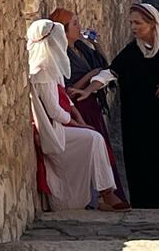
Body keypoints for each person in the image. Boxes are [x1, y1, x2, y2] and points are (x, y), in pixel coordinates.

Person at [74, 3, 159, 209]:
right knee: (147, 167)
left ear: (152, 23)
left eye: (138, 23)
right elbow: (110, 73)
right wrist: (88, 90)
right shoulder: (133, 51)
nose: (133, 27)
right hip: (141, 123)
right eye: (131, 23)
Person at [27, 19, 130, 212]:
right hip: (52, 130)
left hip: (62, 124)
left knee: (95, 139)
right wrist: (76, 123)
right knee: (93, 138)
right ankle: (106, 193)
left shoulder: (52, 66)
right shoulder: (42, 72)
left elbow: (64, 95)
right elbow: (54, 110)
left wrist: (78, 118)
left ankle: (102, 194)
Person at [48, 7, 126, 201]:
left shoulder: (81, 48)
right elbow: (68, 88)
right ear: (63, 30)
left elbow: (104, 66)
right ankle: (99, 196)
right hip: (79, 104)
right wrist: (91, 76)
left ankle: (110, 194)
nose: (79, 26)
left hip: (91, 103)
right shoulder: (61, 55)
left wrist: (96, 45)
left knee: (102, 148)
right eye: (74, 24)